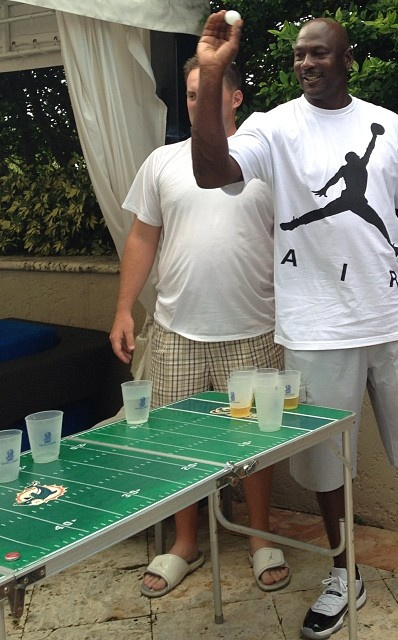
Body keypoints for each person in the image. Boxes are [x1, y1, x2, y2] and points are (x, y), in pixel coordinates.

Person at [191, 12, 398, 638]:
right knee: (326, 464)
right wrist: (213, 75)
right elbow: (212, 171)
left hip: (393, 316)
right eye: (299, 55)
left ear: (347, 59)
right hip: (316, 327)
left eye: (319, 55)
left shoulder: (388, 125)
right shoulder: (274, 127)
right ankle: (342, 568)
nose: (306, 64)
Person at [109, 56, 290, 597]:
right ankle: (184, 542)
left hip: (254, 327)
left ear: (235, 98)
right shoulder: (162, 162)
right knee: (178, 442)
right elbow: (143, 238)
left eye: (208, 93)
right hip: (176, 330)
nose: (198, 104)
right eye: (190, 94)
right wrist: (123, 308)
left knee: (258, 439)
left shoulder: (265, 162)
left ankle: (260, 537)